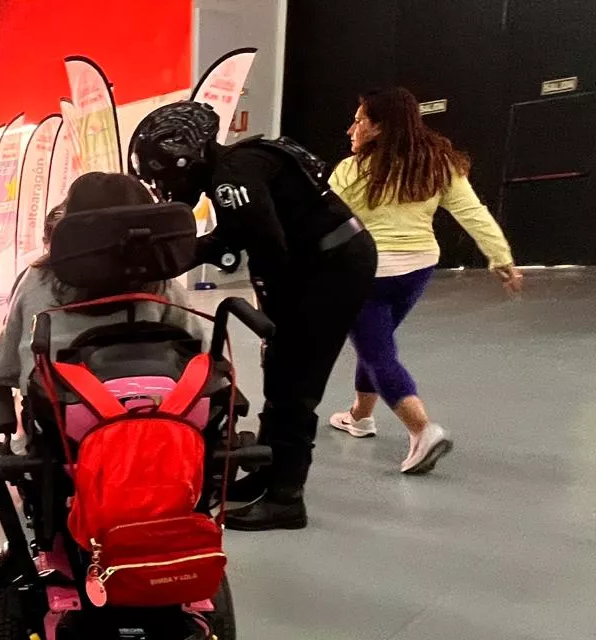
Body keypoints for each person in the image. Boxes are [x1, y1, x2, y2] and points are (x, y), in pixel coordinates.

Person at [129, 101, 377, 531]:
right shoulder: (238, 166)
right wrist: (166, 261)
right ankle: (267, 471)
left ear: (183, 162)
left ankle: (286, 498)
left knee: (295, 377)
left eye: (162, 174)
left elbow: (269, 252)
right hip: (332, 257)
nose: (163, 185)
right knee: (282, 368)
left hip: (330, 267)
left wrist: (277, 324)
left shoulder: (233, 179)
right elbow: (234, 235)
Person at [328, 87, 522, 474]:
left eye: (360, 120)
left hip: (368, 273)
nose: (352, 129)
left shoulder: (351, 172)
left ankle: (422, 431)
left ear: (379, 127)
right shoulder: (435, 163)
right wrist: (501, 257)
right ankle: (361, 417)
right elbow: (473, 212)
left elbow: (323, 226)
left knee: (378, 352)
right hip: (417, 270)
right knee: (376, 343)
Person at [0, 175, 202, 396]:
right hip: (155, 418)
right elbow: (198, 352)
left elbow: (4, 370)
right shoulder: (160, 285)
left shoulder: (36, 280)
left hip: (59, 422)